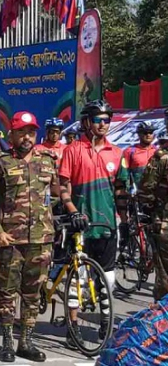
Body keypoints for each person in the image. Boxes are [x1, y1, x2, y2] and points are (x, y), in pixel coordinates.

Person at [0, 111, 58, 363]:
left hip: (41, 240)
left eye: (31, 132)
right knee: (7, 292)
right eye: (21, 132)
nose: (27, 137)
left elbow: (54, 194)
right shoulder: (1, 162)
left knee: (34, 293)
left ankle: (26, 341)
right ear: (11, 135)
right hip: (10, 240)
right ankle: (8, 341)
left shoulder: (47, 161)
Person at [59, 99, 129, 346]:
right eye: (98, 120)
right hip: (81, 224)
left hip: (107, 224)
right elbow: (63, 186)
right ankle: (73, 327)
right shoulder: (72, 150)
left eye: (107, 120)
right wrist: (72, 210)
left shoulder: (117, 153)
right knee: (77, 279)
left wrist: (125, 222)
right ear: (87, 122)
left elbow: (120, 190)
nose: (103, 124)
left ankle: (105, 323)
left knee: (107, 280)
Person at [136, 114, 168, 302]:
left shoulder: (162, 157)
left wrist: (149, 208)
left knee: (164, 278)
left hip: (163, 223)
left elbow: (146, 188)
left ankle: (162, 323)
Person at [122, 122, 157, 190]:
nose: (148, 135)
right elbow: (124, 174)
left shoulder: (158, 151)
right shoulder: (129, 151)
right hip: (138, 191)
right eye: (145, 132)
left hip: (156, 192)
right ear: (139, 134)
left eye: (151, 132)